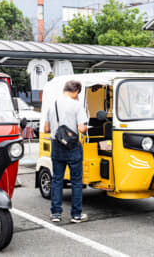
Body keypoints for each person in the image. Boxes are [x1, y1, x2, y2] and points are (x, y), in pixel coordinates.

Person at [44, 80, 88, 223]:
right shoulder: (77, 105)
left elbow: (46, 129)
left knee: (57, 179)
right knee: (76, 181)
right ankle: (76, 215)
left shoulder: (52, 104)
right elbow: (81, 129)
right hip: (72, 147)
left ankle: (56, 214)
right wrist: (86, 128)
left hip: (56, 144)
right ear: (76, 92)